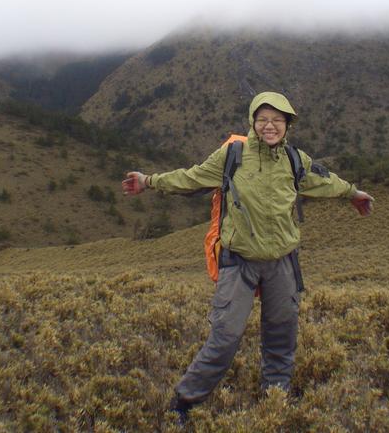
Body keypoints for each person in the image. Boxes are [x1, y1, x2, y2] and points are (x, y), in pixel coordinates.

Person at [121, 91, 374, 421]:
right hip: (238, 262)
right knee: (224, 337)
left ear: (288, 124)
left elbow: (325, 181)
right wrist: (149, 181)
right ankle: (183, 403)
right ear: (252, 122)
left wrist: (353, 193)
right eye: (263, 119)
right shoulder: (232, 155)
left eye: (277, 120)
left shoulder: (295, 159)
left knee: (281, 335)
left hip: (282, 262)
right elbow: (190, 177)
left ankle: (275, 399)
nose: (270, 126)